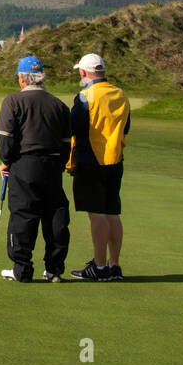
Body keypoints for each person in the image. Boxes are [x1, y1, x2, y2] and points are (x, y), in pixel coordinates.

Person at [0, 56, 72, 283]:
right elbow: (67, 143)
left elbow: (6, 140)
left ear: (21, 78)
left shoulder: (13, 102)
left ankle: (22, 269)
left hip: (24, 165)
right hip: (53, 166)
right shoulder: (59, 105)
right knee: (55, 215)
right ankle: (54, 269)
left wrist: (5, 162)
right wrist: (59, 164)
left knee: (23, 214)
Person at [67, 53, 131, 282]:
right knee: (112, 212)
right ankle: (114, 265)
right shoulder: (120, 94)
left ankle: (100, 266)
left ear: (84, 73)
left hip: (90, 161)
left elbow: (74, 128)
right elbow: (127, 127)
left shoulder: (85, 96)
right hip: (115, 160)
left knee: (97, 215)